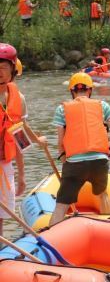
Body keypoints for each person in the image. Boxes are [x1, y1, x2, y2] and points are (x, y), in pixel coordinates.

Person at [49, 72, 110, 226]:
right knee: (102, 194)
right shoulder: (102, 105)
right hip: (99, 161)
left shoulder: (62, 109)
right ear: (90, 90)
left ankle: (49, 239)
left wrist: (65, 162)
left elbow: (60, 143)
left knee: (62, 204)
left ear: (72, 91)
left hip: (74, 163)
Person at [0, 44, 32, 236]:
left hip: (5, 164)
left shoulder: (18, 98)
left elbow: (19, 139)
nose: (0, 73)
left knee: (2, 213)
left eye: (3, 68)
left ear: (12, 69)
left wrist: (22, 175)